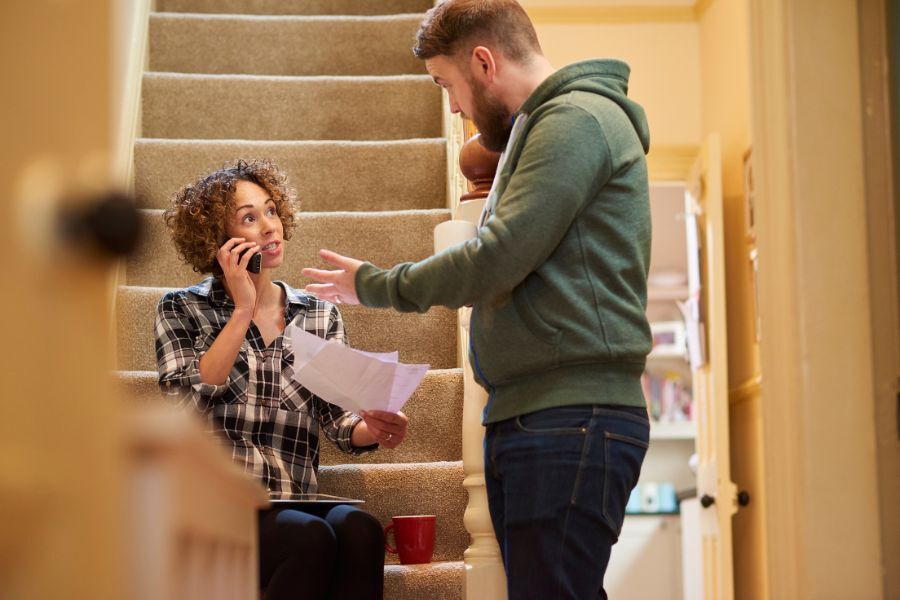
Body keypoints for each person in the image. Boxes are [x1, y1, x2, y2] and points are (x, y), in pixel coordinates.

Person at [301, 1, 653, 598]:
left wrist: (376, 284)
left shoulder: (574, 121)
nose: (453, 106)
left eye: (447, 84)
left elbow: (497, 258)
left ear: (484, 62)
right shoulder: (540, 128)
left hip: (572, 416)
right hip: (538, 413)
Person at [154, 159, 408, 600]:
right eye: (249, 218)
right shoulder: (181, 309)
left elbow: (339, 420)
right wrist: (241, 312)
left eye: (271, 211)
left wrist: (376, 427)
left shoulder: (317, 313)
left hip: (295, 499)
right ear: (216, 239)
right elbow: (184, 408)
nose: (269, 227)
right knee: (308, 539)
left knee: (361, 531)